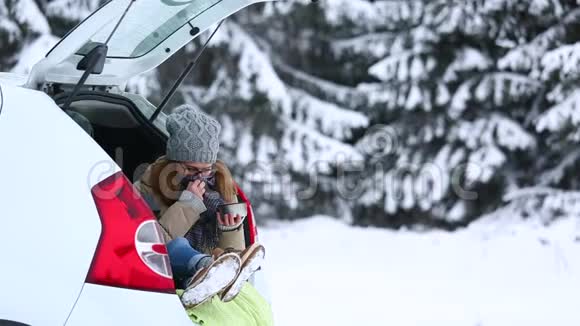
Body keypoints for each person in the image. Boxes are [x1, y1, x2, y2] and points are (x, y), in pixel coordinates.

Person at [135, 105, 266, 308]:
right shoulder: (148, 185)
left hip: (211, 274)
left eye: (206, 170)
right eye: (190, 169)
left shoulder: (221, 184)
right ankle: (205, 269)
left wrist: (229, 228)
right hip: (165, 273)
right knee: (179, 245)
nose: (199, 176)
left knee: (227, 260)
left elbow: (228, 255)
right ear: (172, 161)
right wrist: (189, 206)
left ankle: (223, 273)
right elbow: (151, 242)